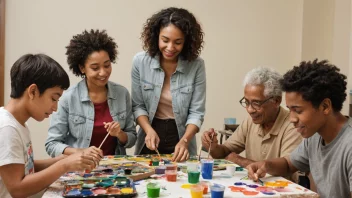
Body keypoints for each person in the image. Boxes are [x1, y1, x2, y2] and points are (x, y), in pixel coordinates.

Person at [0, 54, 101, 198]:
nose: (55, 108)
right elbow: (17, 189)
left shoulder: (18, 124)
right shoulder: (6, 128)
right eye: (54, 98)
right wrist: (64, 166)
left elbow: (22, 166)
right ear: (33, 91)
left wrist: (61, 160)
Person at [247, 60, 351, 197]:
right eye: (290, 110)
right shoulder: (315, 135)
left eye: (298, 110)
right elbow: (288, 164)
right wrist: (266, 165)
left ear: (325, 106)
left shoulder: (348, 144)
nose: (292, 119)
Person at [46, 29, 137, 157]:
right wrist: (80, 152)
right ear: (82, 68)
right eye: (95, 68)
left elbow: (132, 138)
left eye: (107, 65)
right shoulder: (68, 98)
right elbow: (52, 144)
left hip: (116, 170)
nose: (103, 72)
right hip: (80, 170)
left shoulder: (122, 93)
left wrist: (119, 134)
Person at [132, 7, 206, 162]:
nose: (170, 48)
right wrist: (148, 130)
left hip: (182, 137)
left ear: (186, 42)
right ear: (156, 36)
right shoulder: (140, 62)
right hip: (151, 135)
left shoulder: (196, 65)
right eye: (165, 40)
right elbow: (138, 106)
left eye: (178, 42)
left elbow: (196, 113)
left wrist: (185, 140)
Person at [202, 67, 302, 168]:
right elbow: (224, 152)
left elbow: (286, 168)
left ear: (276, 101)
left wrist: (240, 161)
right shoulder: (250, 122)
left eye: (256, 103)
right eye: (246, 102)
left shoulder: (293, 125)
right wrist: (213, 146)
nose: (250, 110)